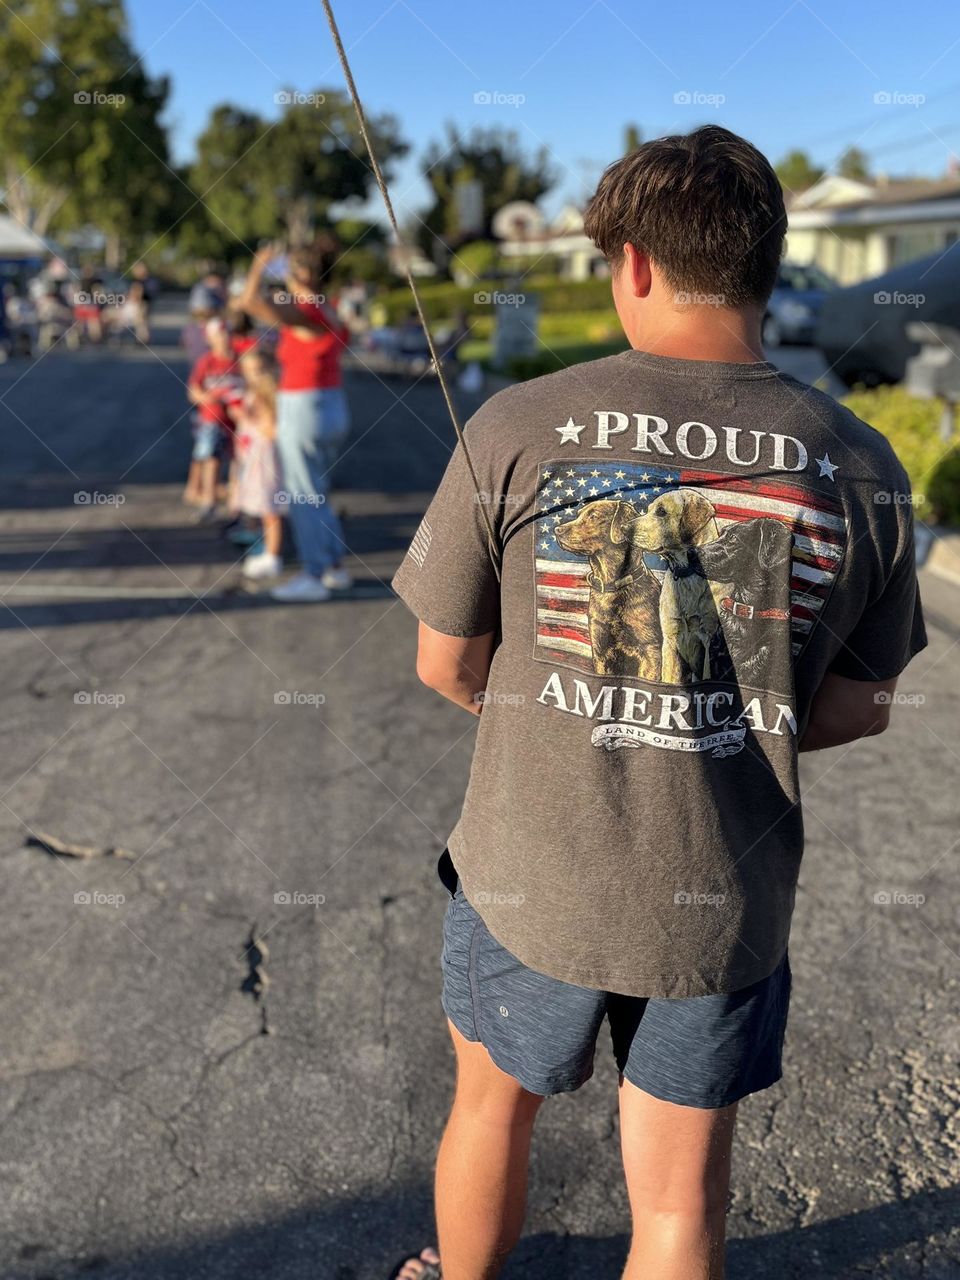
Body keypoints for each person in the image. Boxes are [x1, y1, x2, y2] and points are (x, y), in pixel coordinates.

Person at [390, 126, 927, 1280]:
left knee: (490, 1108)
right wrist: (732, 718)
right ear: (766, 263)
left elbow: (446, 661)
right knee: (679, 1200)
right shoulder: (862, 462)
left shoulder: (518, 424)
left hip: (533, 874)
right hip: (722, 893)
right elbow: (863, 705)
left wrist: (550, 718)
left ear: (632, 262)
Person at [237, 237, 353, 603]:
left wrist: (259, 265)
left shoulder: (308, 312)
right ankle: (334, 566)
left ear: (302, 273)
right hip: (329, 404)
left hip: (304, 408)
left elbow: (249, 302)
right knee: (317, 492)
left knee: (303, 495)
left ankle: (314, 573)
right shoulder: (329, 309)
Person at [232, 348, 285, 580]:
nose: (254, 375)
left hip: (265, 461)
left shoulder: (268, 394)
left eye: (259, 370)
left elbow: (271, 429)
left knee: (270, 508)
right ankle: (263, 544)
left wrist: (245, 418)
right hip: (252, 458)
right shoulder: (252, 392)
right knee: (261, 507)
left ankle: (273, 555)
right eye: (249, 371)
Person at [184, 317, 242, 521]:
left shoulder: (240, 360)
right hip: (212, 420)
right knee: (211, 460)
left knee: (238, 462)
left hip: (238, 420)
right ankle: (209, 502)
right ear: (209, 338)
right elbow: (193, 390)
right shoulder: (206, 361)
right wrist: (209, 398)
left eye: (227, 333)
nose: (224, 338)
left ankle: (237, 505)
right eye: (219, 334)